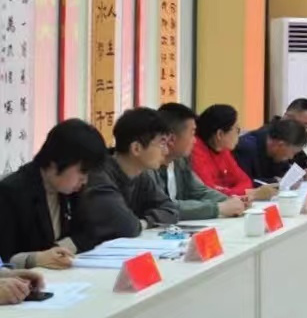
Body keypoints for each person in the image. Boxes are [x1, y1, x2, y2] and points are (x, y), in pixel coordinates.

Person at [0, 119, 108, 268]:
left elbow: (89, 233)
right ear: (55, 162)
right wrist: (36, 258)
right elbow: (4, 257)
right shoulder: (12, 192)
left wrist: (59, 248)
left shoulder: (70, 189)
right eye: (82, 171)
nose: (84, 180)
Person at [73, 108, 180, 252]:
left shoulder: (141, 175)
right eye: (162, 143)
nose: (166, 151)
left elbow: (171, 210)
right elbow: (127, 226)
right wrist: (141, 223)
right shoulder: (99, 175)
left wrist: (144, 222)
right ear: (136, 148)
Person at [155, 103, 246, 220]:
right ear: (172, 139)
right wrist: (218, 208)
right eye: (192, 134)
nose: (194, 141)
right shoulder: (149, 167)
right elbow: (164, 206)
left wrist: (231, 200)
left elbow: (199, 191)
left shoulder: (180, 160)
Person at [192, 104, 276, 201]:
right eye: (237, 130)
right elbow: (209, 193)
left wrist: (233, 192)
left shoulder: (223, 149)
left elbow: (245, 181)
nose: (239, 135)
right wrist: (250, 193)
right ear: (220, 134)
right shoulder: (195, 151)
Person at [234, 118, 307, 187]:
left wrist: (303, 175)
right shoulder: (245, 148)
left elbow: (282, 173)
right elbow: (244, 183)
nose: (291, 157)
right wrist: (276, 182)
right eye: (293, 152)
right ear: (281, 145)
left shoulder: (278, 152)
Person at [277, 99, 307, 180]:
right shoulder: (269, 139)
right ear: (287, 118)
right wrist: (301, 175)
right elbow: (273, 176)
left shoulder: (294, 141)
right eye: (305, 126)